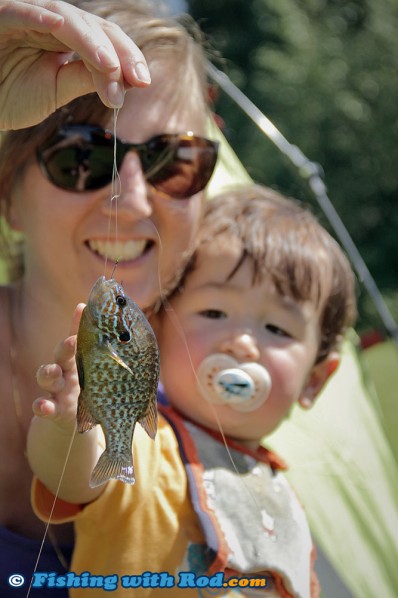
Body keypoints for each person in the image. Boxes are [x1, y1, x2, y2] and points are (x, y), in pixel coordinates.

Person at [27, 185, 357, 597]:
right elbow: (73, 477)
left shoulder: (279, 494)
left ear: (314, 380)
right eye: (214, 312)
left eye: (276, 329)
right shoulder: (147, 447)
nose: (242, 343)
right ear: (160, 331)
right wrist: (67, 424)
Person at [0, 0, 219, 594]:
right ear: (9, 197)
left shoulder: (222, 373)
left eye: (175, 161)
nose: (136, 201)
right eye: (82, 157)